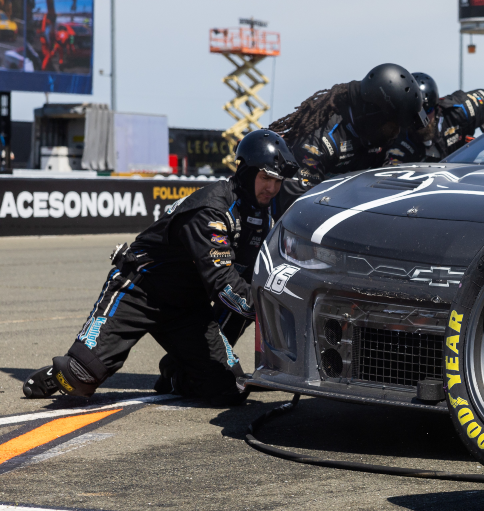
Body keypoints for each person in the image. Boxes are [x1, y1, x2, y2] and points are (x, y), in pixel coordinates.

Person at [22, 130, 297, 404]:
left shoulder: (266, 215)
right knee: (79, 377)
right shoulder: (211, 210)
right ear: (246, 171)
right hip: (140, 289)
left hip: (187, 308)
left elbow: (250, 282)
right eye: (265, 178)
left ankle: (177, 371)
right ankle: (61, 372)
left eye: (276, 181)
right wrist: (275, 309)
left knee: (226, 389)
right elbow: (224, 285)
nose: (271, 188)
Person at [268, 63, 427, 214]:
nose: (396, 133)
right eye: (393, 126)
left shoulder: (375, 135)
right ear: (375, 116)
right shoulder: (322, 138)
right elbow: (298, 204)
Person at [385, 73, 484, 164]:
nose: (421, 120)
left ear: (436, 107)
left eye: (426, 111)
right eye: (414, 114)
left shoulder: (459, 110)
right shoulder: (395, 138)